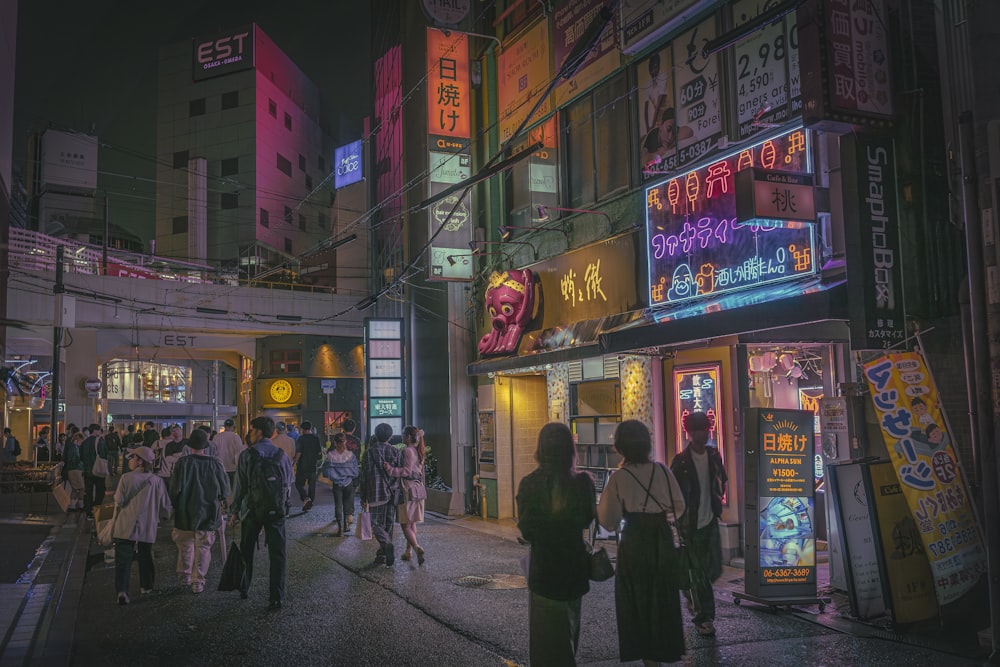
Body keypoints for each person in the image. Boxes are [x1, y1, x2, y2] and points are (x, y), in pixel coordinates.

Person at [598, 420, 687, 665]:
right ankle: (664, 650)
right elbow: (679, 506)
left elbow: (607, 520)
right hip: (662, 539)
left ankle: (647, 655)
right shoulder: (662, 471)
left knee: (637, 599)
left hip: (634, 541)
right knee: (663, 597)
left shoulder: (619, 478)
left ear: (620, 447)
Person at [516, 423, 596, 666]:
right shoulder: (583, 483)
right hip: (574, 570)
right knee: (568, 636)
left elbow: (527, 530)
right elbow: (587, 519)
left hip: (544, 571)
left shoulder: (529, 484)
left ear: (541, 449)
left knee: (544, 644)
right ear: (569, 449)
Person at [670, 411, 727, 639]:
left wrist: (718, 498)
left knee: (713, 569)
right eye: (696, 430)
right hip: (690, 525)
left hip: (710, 521)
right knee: (700, 572)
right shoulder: (681, 461)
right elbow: (674, 491)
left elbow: (722, 480)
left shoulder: (714, 456)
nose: (701, 434)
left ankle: (694, 599)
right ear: (689, 433)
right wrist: (678, 521)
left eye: (704, 429)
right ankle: (705, 618)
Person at [230, 416, 294, 609]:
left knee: (247, 550)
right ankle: (276, 596)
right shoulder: (281, 455)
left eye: (251, 431)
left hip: (251, 510)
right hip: (276, 511)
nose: (250, 434)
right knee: (278, 555)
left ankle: (244, 586)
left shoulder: (247, 455)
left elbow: (239, 487)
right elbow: (288, 483)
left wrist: (234, 512)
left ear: (258, 432)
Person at [169, 429, 230, 594]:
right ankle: (198, 581)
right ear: (206, 445)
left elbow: (174, 490)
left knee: (185, 545)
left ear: (190, 445)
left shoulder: (182, 463)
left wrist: (175, 506)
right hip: (208, 511)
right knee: (203, 546)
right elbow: (225, 491)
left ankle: (185, 575)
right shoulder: (215, 463)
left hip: (185, 511)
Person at [112, 445, 172, 605]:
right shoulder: (157, 481)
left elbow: (119, 500)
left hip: (126, 525)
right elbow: (165, 506)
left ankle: (122, 591)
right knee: (145, 555)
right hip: (147, 526)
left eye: (132, 458)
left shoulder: (126, 478)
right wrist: (164, 517)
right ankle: (147, 586)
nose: (130, 461)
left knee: (123, 559)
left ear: (140, 461)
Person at [359, 422, 402, 566]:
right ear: (390, 436)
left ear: (376, 435)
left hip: (375, 491)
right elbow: (399, 473)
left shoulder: (369, 452)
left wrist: (363, 495)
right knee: (389, 523)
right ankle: (383, 552)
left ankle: (385, 544)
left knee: (376, 523)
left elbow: (364, 475)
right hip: (392, 492)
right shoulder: (395, 451)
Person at [382, 425, 428, 564]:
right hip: (418, 489)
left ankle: (416, 546)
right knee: (412, 522)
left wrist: (390, 469)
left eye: (403, 434)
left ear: (408, 437)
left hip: (407, 490)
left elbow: (406, 472)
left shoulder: (408, 451)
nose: (402, 436)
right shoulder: (419, 450)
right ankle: (409, 552)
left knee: (404, 524)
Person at [324, 433, 358, 536]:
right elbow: (355, 471)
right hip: (348, 483)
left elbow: (327, 472)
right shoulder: (351, 455)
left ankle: (340, 528)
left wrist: (336, 477)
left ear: (334, 443)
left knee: (338, 505)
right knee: (347, 503)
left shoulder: (330, 455)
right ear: (345, 442)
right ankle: (346, 524)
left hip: (337, 484)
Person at [292, 421, 323, 512]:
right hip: (312, 466)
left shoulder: (301, 439)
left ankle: (305, 498)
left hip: (302, 466)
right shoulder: (316, 438)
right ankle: (309, 503)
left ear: (302, 429)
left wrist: (294, 462)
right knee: (312, 486)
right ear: (311, 428)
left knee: (298, 484)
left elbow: (299, 452)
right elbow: (319, 453)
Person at [80, 424, 109, 518]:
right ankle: (96, 508)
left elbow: (81, 456)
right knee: (100, 490)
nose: (100, 432)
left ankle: (88, 511)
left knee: (88, 492)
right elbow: (104, 454)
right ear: (95, 431)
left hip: (87, 471)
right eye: (99, 430)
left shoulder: (85, 442)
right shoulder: (100, 441)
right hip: (98, 470)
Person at [213, 418, 246, 490]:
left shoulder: (217, 437)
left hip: (220, 466)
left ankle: (224, 500)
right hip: (233, 467)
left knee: (222, 488)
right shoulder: (236, 437)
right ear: (232, 427)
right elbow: (239, 451)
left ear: (225, 426)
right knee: (233, 488)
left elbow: (214, 451)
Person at [62, 431, 86, 511]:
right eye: (81, 441)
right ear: (77, 439)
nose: (81, 443)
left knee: (75, 488)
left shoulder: (72, 447)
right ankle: (80, 505)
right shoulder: (74, 448)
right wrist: (82, 463)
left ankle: (72, 505)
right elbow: (74, 459)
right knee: (82, 488)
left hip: (72, 469)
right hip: (75, 470)